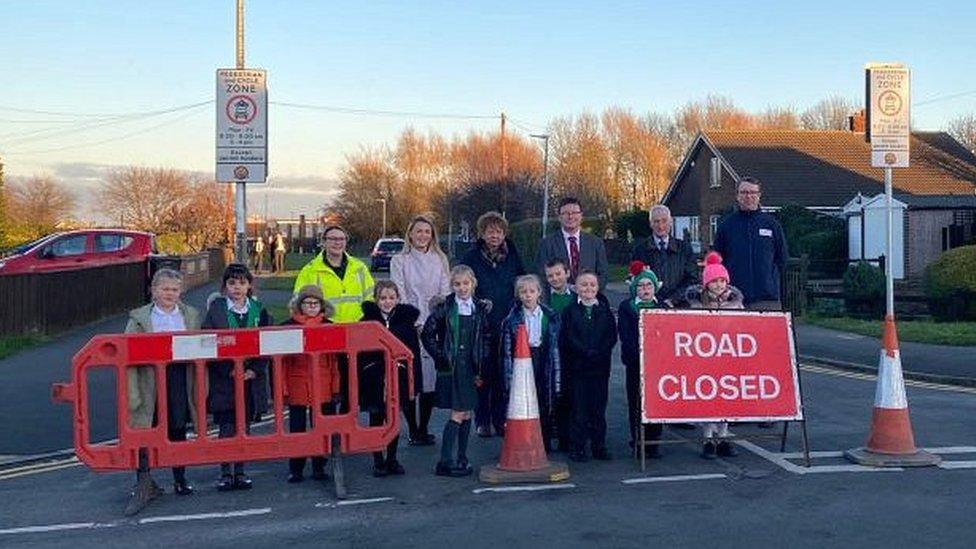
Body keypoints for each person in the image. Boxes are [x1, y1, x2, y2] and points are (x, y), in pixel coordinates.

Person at [123, 268, 200, 516]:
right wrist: (132, 394)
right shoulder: (138, 319)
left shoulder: (191, 315)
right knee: (145, 431)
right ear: (154, 291)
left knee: (177, 428)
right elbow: (127, 359)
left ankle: (180, 478)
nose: (170, 294)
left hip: (178, 377)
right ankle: (144, 483)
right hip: (148, 380)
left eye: (175, 289)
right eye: (165, 289)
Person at [202, 263, 273, 491]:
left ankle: (240, 471)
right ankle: (225, 472)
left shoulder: (259, 310)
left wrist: (255, 369)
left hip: (251, 380)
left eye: (242, 283)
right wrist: (228, 370)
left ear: (249, 285)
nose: (237, 288)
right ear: (225, 287)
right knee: (226, 427)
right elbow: (207, 342)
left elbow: (269, 343)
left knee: (245, 427)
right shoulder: (216, 310)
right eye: (232, 283)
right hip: (225, 380)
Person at [421, 265, 492, 477]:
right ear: (452, 286)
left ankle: (462, 457)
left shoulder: (479, 308)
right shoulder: (445, 307)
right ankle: (445, 461)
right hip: (452, 368)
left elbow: (486, 337)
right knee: (458, 412)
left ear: (473, 284)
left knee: (467, 411)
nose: (462, 288)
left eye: (466, 283)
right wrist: (440, 356)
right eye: (457, 284)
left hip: (471, 368)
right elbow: (427, 334)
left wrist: (483, 359)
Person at [460, 211, 525, 438]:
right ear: (482, 233)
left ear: (504, 233)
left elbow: (521, 283)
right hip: (481, 325)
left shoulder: (513, 255)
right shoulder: (471, 258)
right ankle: (483, 420)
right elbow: (463, 286)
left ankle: (499, 420)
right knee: (481, 375)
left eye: (498, 231)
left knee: (502, 376)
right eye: (490, 231)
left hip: (507, 323)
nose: (494, 235)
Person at [390, 215, 450, 446]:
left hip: (433, 323)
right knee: (409, 377)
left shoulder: (439, 259)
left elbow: (444, 290)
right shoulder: (400, 259)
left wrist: (435, 319)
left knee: (429, 379)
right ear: (411, 234)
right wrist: (412, 320)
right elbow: (399, 289)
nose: (423, 235)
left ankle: (423, 428)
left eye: (427, 231)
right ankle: (412, 428)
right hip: (408, 323)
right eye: (419, 231)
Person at [360, 280, 423, 477]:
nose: (387, 302)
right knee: (376, 418)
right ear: (376, 300)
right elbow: (362, 353)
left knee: (394, 419)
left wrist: (414, 380)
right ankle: (378, 460)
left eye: (391, 298)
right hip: (376, 378)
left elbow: (413, 353)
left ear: (398, 299)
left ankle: (392, 458)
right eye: (383, 298)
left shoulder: (406, 323)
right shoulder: (367, 322)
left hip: (399, 377)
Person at [685, 252, 744, 459]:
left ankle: (723, 436)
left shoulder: (736, 304)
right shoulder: (697, 305)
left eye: (722, 280)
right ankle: (708, 438)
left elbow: (745, 328)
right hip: (707, 359)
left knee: (727, 400)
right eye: (714, 281)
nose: (719, 285)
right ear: (706, 284)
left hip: (729, 358)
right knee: (709, 400)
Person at [280, 284, 339, 483]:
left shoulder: (329, 326)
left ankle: (319, 466)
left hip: (323, 383)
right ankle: (296, 468)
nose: (312, 306)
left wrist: (335, 387)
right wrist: (283, 389)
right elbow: (283, 363)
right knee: (297, 427)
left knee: (322, 427)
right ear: (300, 305)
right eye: (308, 303)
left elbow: (334, 362)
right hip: (298, 383)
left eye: (316, 303)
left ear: (322, 305)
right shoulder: (288, 327)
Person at [559, 270, 617, 462]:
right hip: (578, 367)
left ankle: (599, 445)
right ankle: (578, 447)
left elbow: (611, 336)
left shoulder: (604, 310)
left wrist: (598, 351)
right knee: (579, 409)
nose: (588, 289)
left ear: (598, 287)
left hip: (600, 367)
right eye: (584, 285)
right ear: (576, 288)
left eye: (592, 285)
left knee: (598, 409)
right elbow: (568, 337)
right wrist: (584, 351)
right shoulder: (570, 311)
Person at [500, 275, 561, 452]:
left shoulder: (549, 316)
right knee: (524, 399)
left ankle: (545, 441)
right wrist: (509, 377)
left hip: (543, 357)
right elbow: (507, 351)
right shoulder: (512, 319)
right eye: (523, 292)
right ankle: (524, 442)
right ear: (518, 295)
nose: (528, 295)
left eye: (531, 291)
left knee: (544, 399)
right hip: (522, 361)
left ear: (539, 293)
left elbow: (554, 345)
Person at [712, 176, 788, 311]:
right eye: (744, 192)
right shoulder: (726, 226)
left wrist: (771, 281)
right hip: (733, 298)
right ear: (737, 196)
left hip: (767, 299)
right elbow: (717, 261)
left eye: (753, 193)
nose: (749, 196)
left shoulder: (771, 224)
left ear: (759, 196)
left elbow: (782, 258)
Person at [617, 262, 664, 456]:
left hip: (657, 365)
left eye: (649, 286)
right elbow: (626, 336)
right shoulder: (627, 308)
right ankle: (638, 440)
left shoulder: (661, 307)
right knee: (636, 402)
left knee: (656, 403)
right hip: (636, 363)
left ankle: (654, 443)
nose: (645, 289)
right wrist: (639, 354)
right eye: (641, 286)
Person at [293, 225, 375, 323]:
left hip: (357, 328)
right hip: (325, 329)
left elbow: (371, 297)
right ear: (323, 242)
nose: (338, 242)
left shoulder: (359, 268)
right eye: (333, 239)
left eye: (341, 239)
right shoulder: (309, 271)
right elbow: (299, 304)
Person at [630, 205, 699, 308]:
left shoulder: (684, 248)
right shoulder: (640, 250)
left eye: (664, 221)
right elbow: (636, 280)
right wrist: (653, 300)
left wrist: (673, 300)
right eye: (656, 221)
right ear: (650, 224)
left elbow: (692, 279)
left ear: (670, 222)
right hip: (650, 306)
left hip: (680, 306)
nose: (660, 226)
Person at [536, 197, 609, 290]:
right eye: (566, 213)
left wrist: (589, 291)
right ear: (559, 217)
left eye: (574, 213)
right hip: (559, 301)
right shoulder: (546, 244)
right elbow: (542, 275)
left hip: (588, 300)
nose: (570, 217)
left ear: (581, 216)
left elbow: (603, 274)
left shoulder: (595, 243)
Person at [542, 258, 575, 451]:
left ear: (567, 273)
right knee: (553, 392)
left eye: (558, 274)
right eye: (550, 276)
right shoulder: (544, 298)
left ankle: (569, 433)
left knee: (571, 394)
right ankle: (553, 429)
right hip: (551, 352)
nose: (555, 278)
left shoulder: (576, 295)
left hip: (572, 352)